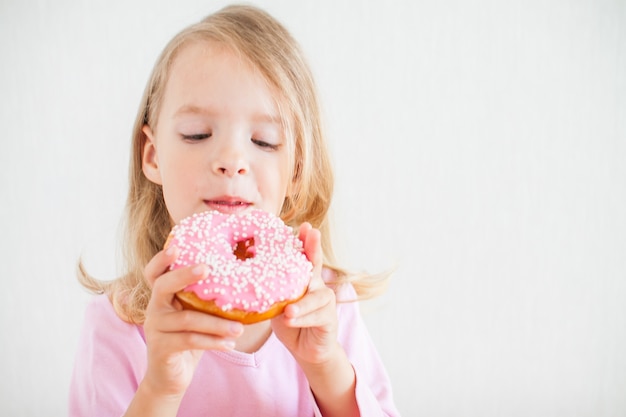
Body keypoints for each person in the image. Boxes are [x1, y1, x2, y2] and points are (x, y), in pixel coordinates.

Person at [69, 4, 399, 416]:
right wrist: (161, 388)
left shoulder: (327, 305)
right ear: (153, 156)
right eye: (197, 134)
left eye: (263, 141)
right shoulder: (117, 324)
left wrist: (326, 367)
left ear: (296, 170)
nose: (231, 159)